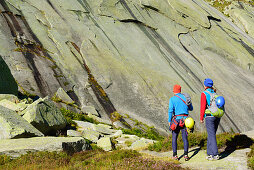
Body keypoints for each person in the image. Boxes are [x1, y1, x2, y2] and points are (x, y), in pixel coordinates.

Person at [168, 84, 193, 161]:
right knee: (185, 138)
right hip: (185, 120)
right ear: (180, 90)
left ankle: (175, 155)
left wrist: (169, 121)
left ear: (174, 91)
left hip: (176, 121)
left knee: (174, 137)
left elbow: (170, 111)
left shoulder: (172, 99)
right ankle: (186, 155)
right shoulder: (186, 98)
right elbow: (191, 108)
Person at [200, 78, 220, 160]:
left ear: (205, 85)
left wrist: (201, 118)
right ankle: (209, 154)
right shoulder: (215, 93)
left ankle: (215, 154)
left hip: (209, 116)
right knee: (211, 134)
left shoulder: (204, 94)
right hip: (217, 116)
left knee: (211, 135)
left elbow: (203, 107)